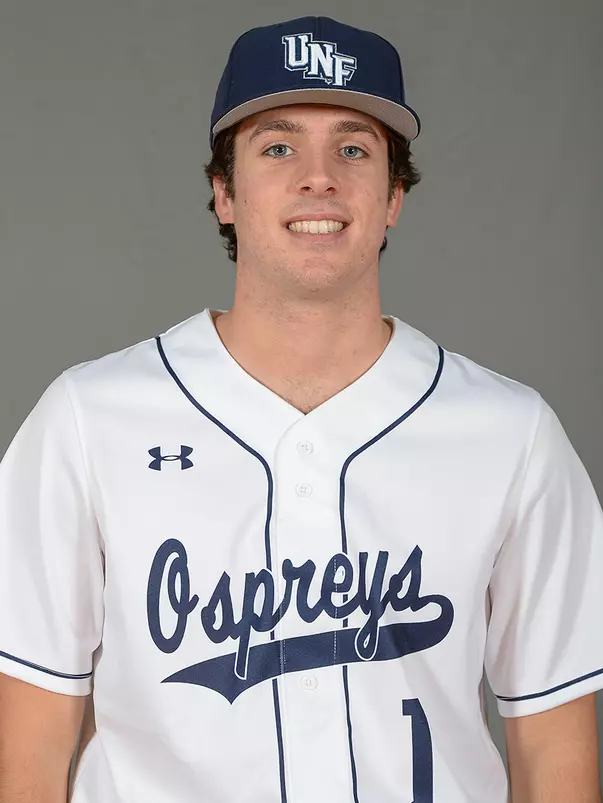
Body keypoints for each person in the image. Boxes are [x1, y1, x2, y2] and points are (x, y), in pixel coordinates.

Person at [0, 15, 602, 803]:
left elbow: (554, 746)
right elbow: (33, 750)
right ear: (224, 192)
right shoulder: (86, 420)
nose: (318, 177)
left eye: (353, 148)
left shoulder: (511, 433)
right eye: (277, 146)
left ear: (392, 198)